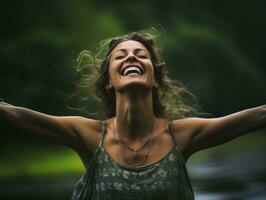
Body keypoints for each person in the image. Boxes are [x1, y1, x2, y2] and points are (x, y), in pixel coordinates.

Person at [0, 29, 265, 200]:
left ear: (156, 80)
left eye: (141, 55)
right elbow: (16, 115)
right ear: (108, 82)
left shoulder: (181, 135)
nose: (131, 58)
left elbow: (256, 116)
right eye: (120, 56)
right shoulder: (90, 135)